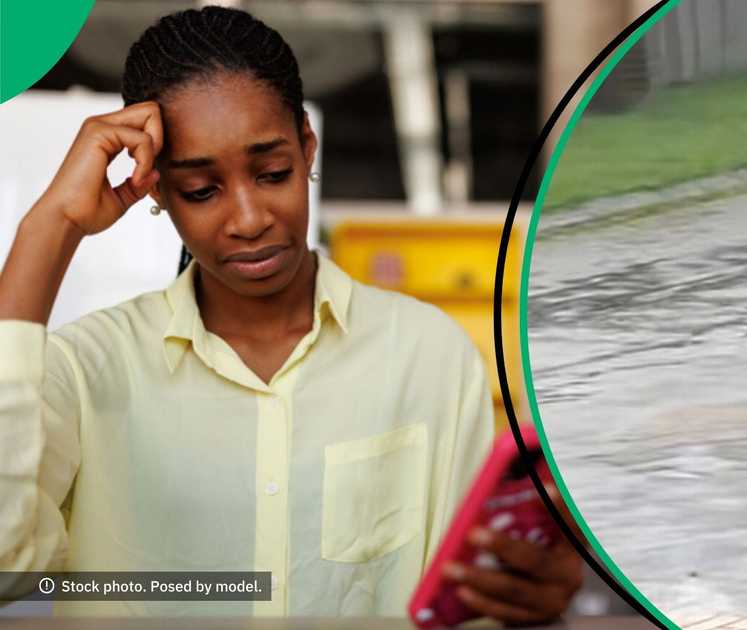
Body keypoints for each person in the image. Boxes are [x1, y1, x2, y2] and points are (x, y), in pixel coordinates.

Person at [0, 6, 583, 621]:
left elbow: (468, 604)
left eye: (273, 173)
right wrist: (51, 226)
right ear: (157, 190)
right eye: (201, 190)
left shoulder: (426, 355)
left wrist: (527, 601)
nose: (249, 219)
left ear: (308, 148)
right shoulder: (84, 370)